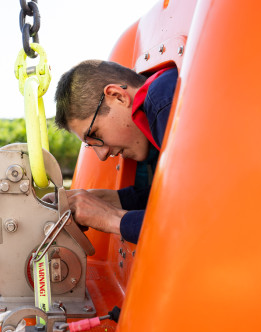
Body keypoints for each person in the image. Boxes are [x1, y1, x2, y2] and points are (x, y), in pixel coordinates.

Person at [49, 59, 178, 244]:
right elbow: (179, 193)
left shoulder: (163, 102)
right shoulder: (165, 92)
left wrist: (111, 217)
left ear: (118, 96)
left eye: (95, 134)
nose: (102, 155)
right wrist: (110, 199)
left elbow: (195, 219)